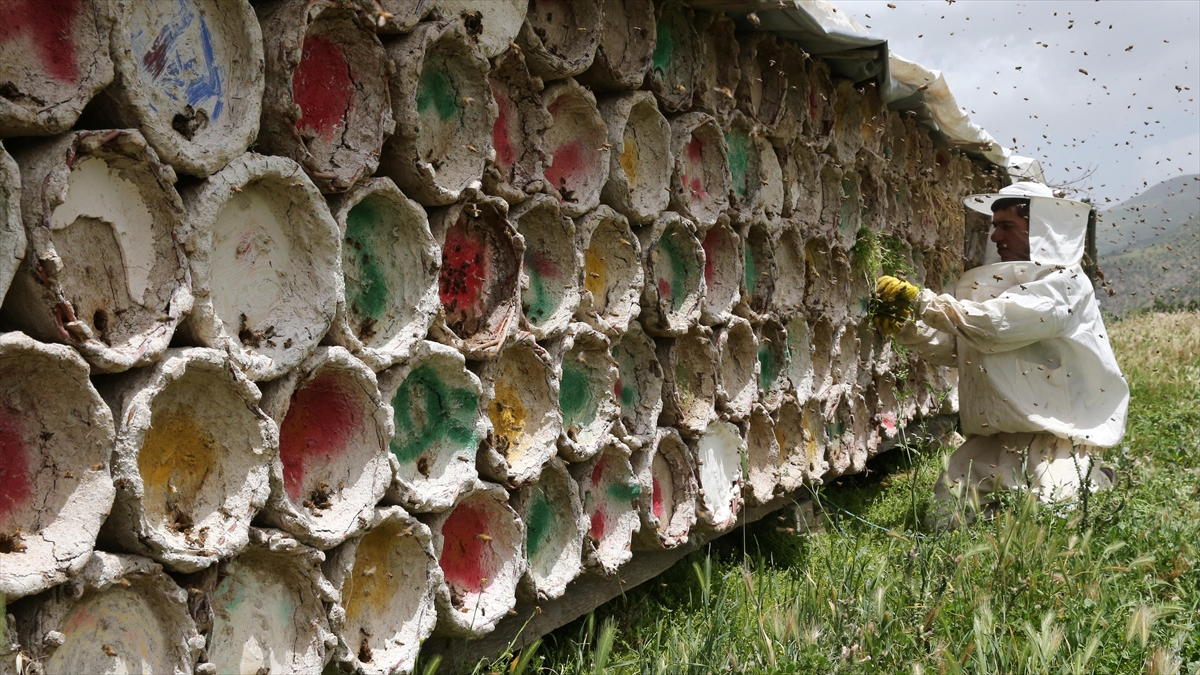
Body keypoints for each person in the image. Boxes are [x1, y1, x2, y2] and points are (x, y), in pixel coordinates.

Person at [874, 181, 1129, 517]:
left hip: (1053, 440)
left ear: (1042, 231)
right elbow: (962, 349)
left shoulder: (1064, 285)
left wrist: (923, 303)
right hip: (993, 441)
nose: (995, 236)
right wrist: (910, 328)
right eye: (994, 226)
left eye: (1007, 226)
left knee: (1050, 517)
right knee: (942, 520)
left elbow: (995, 326)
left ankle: (1097, 478)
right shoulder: (996, 290)